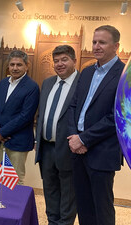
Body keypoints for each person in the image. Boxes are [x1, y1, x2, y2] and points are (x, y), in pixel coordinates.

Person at [67, 25, 124, 225]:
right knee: (84, 206)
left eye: (102, 42)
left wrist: (84, 138)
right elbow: (74, 106)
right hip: (77, 150)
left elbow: (116, 116)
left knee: (102, 208)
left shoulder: (125, 75)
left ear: (116, 45)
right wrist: (75, 138)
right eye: (94, 42)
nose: (96, 46)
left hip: (102, 151)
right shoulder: (87, 71)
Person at [35, 45, 79, 224]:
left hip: (69, 150)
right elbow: (42, 114)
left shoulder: (82, 84)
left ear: (74, 61)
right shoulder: (48, 83)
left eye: (64, 60)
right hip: (46, 149)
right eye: (56, 61)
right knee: (50, 195)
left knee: (68, 199)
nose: (59, 64)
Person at [0, 50, 39, 185]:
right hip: (1, 140)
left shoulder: (32, 87)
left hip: (18, 140)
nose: (15, 68)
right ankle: (1, 203)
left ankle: (15, 206)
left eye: (19, 65)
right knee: (2, 177)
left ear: (27, 66)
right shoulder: (3, 83)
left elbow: (26, 116)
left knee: (16, 180)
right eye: (12, 64)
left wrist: (3, 131)